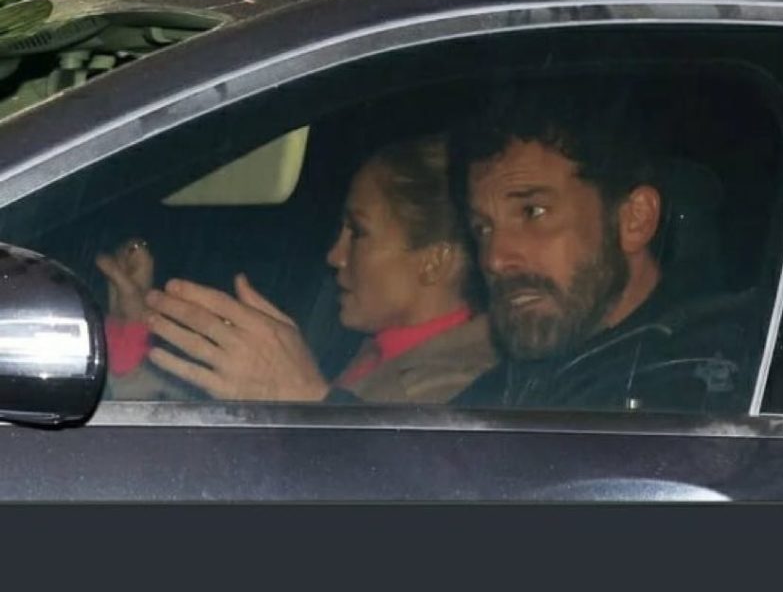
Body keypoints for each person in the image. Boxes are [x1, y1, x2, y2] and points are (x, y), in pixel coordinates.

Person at [98, 134, 496, 403]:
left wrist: (307, 399)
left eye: (358, 233)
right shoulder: (380, 353)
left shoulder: (464, 388)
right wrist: (132, 335)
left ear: (433, 261)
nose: (335, 256)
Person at [447, 80, 764, 413]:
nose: (495, 258)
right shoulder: (512, 386)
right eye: (482, 228)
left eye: (533, 212)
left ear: (635, 219)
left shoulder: (700, 389)